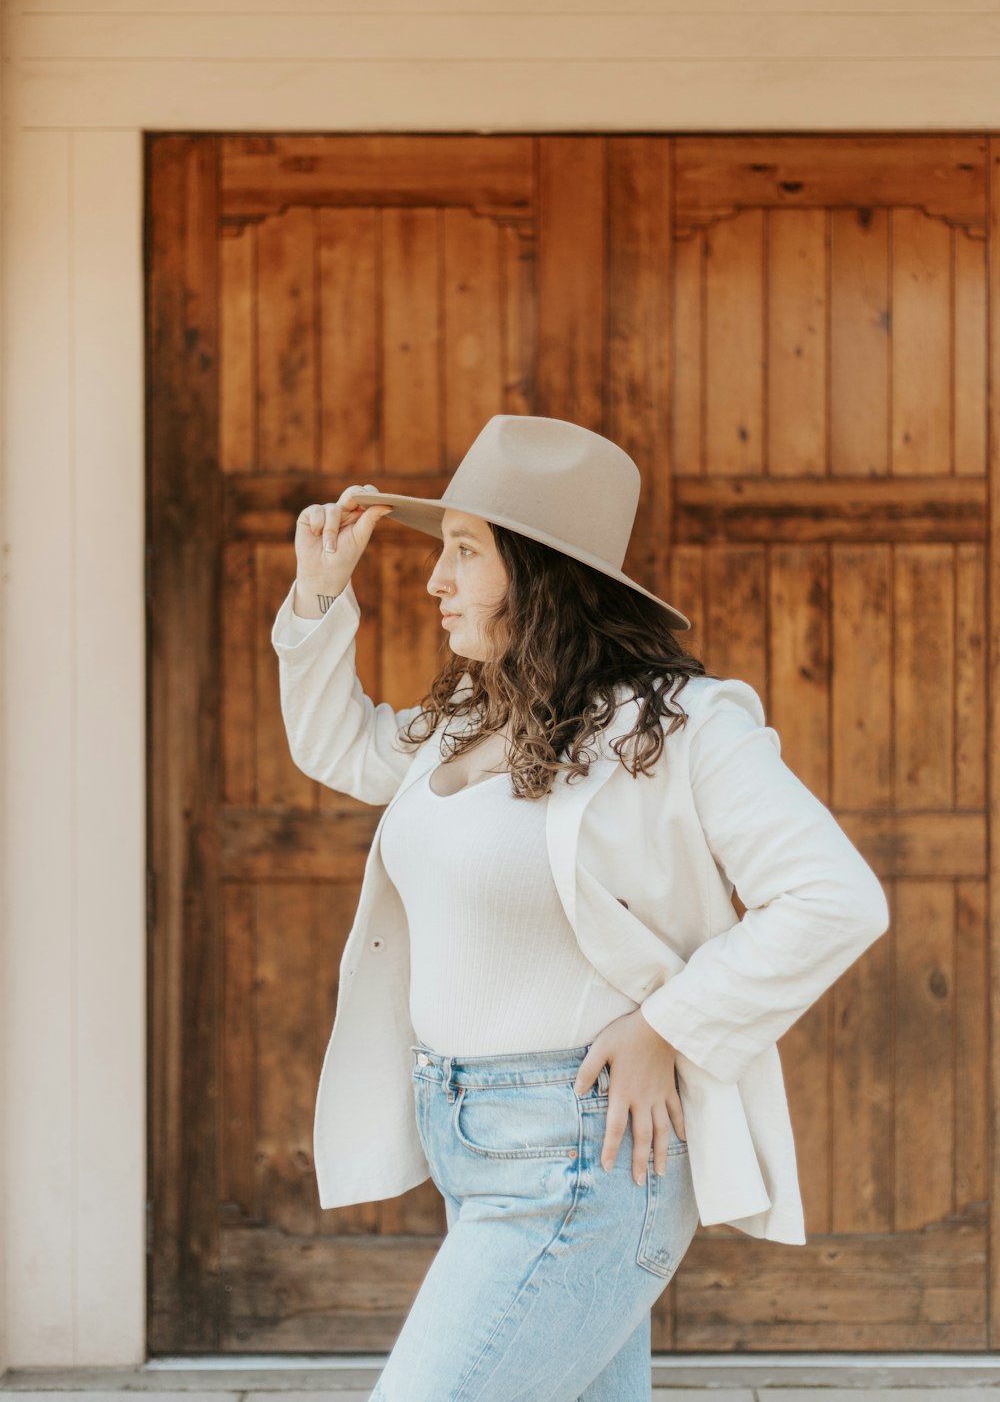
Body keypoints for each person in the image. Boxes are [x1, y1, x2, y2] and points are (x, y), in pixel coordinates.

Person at [270, 413, 889, 1402]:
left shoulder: (678, 732)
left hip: (581, 1158)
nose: (434, 580)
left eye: (464, 554)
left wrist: (667, 1024)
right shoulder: (465, 720)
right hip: (473, 1145)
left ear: (541, 573)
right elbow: (338, 748)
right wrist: (316, 594)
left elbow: (834, 897)